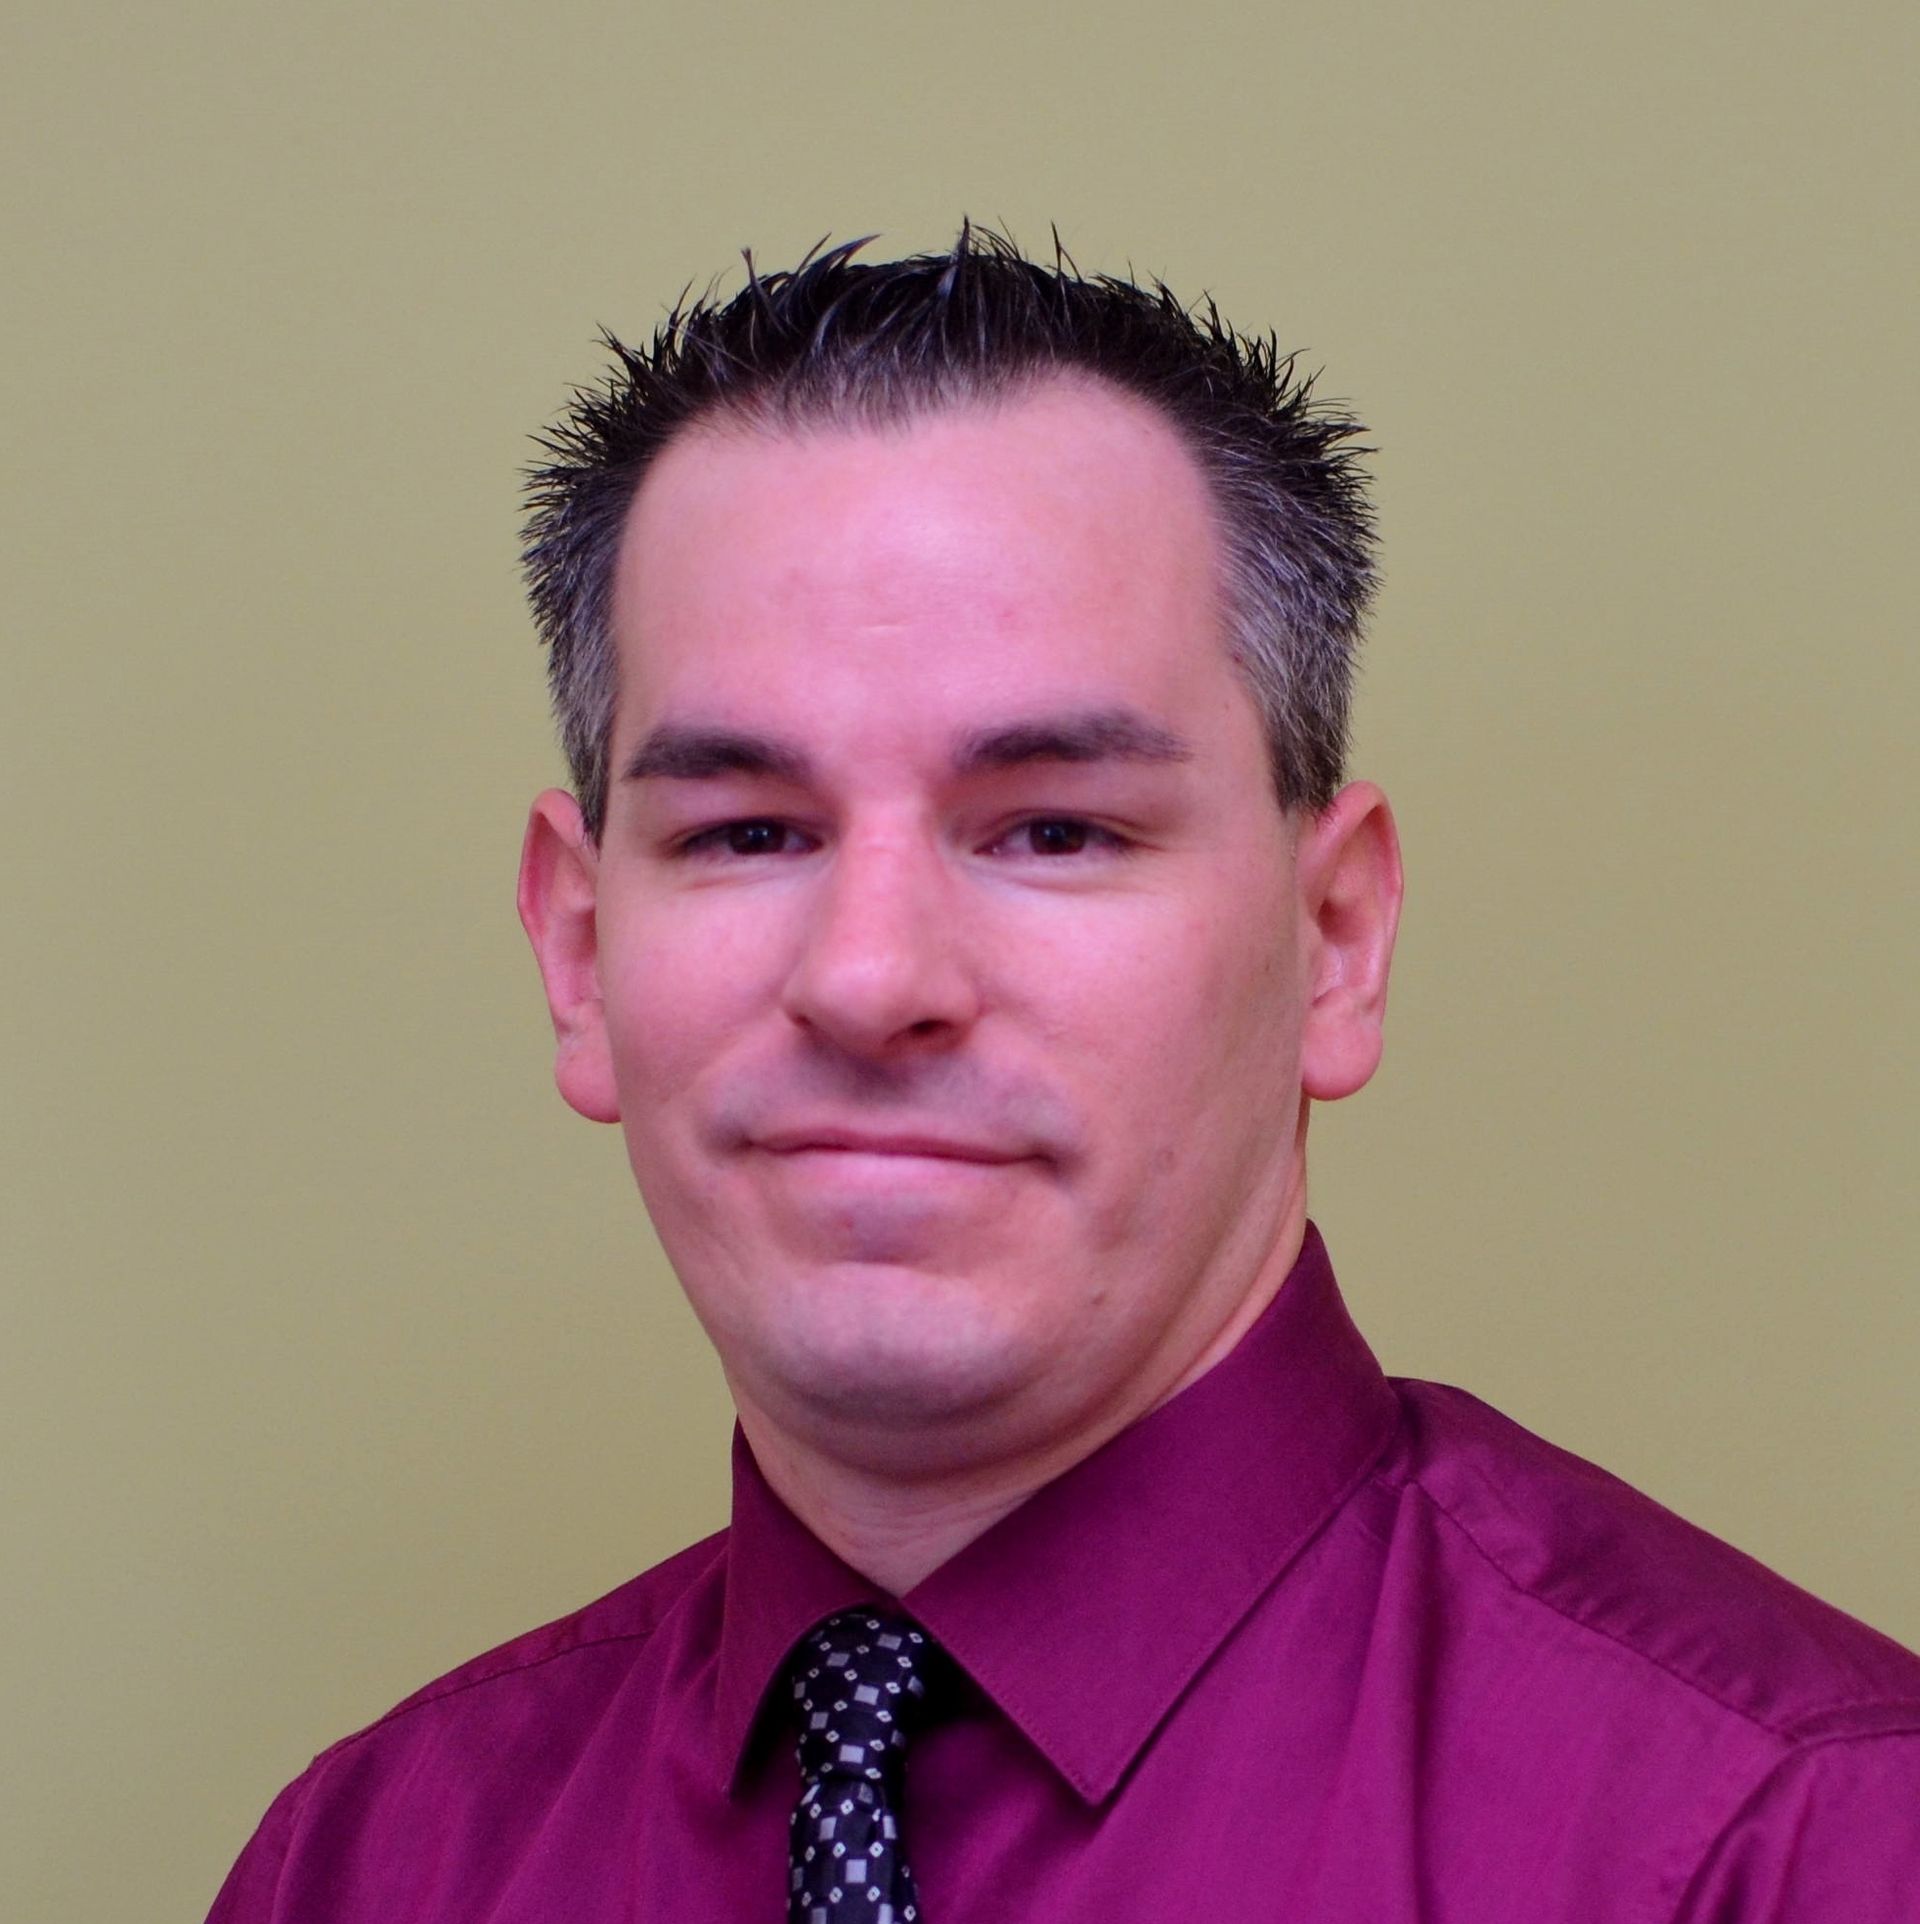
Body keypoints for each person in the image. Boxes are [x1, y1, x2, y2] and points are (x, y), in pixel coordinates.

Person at [207, 229, 1920, 1922]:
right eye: (747, 831)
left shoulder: (1799, 1843)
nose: (871, 980)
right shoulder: (370, 1867)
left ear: (1334, 938)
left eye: (1052, 829)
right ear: (579, 955)